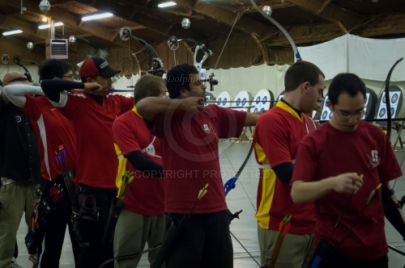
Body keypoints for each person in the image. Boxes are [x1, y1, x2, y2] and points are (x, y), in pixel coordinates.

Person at [136, 64, 258, 268]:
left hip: (217, 208)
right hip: (183, 212)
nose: (204, 86)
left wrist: (285, 113)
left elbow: (253, 119)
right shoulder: (166, 118)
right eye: (198, 83)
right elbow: (142, 106)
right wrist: (180, 105)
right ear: (183, 90)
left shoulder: (212, 113)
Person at [291, 73, 402, 268]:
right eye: (345, 113)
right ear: (330, 106)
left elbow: (385, 194)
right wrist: (333, 183)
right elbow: (297, 192)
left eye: (359, 111)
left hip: (374, 250)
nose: (353, 120)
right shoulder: (314, 142)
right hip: (334, 249)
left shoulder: (375, 135)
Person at [41, 56, 133, 268]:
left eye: (111, 78)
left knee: (110, 247)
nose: (111, 82)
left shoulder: (116, 102)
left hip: (116, 188)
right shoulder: (77, 103)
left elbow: (144, 102)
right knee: (90, 248)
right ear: (92, 79)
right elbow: (47, 86)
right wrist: (82, 86)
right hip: (90, 188)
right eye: (106, 77)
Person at [3, 60, 80, 267]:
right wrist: (42, 87)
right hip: (52, 183)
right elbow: (9, 90)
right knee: (50, 243)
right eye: (69, 76)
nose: (73, 80)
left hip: (75, 182)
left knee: (82, 243)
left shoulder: (71, 103)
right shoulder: (35, 105)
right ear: (56, 80)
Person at [253, 61, 325, 268]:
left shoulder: (310, 122)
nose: (321, 97)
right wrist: (333, 181)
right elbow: (286, 173)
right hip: (282, 223)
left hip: (311, 223)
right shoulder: (272, 120)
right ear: (305, 87)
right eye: (319, 91)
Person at [112, 75, 167, 267]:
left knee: (163, 260)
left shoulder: (165, 122)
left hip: (164, 203)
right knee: (126, 260)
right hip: (133, 203)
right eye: (163, 95)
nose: (166, 99)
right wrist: (175, 173)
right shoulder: (124, 122)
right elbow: (138, 161)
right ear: (149, 99)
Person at [0, 72, 41, 268]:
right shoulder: (4, 108)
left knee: (37, 227)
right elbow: (8, 91)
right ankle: (5, 263)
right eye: (23, 85)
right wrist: (35, 87)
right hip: (11, 181)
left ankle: (35, 260)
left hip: (34, 180)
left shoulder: (31, 110)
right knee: (6, 230)